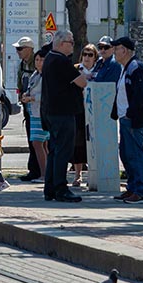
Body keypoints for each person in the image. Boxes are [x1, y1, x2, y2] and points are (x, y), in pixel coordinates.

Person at [41, 30, 89, 202]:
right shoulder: (61, 60)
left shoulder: (49, 59)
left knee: (55, 150)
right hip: (62, 112)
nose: (73, 45)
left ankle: (50, 188)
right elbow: (82, 82)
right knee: (63, 150)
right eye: (71, 42)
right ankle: (60, 188)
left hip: (51, 112)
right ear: (62, 43)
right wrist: (84, 74)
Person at [110, 36, 143, 203]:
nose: (114, 52)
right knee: (126, 154)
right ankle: (132, 187)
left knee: (135, 155)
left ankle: (140, 191)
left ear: (124, 50)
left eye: (116, 48)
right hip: (124, 118)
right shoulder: (125, 68)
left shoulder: (136, 68)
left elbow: (139, 96)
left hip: (132, 120)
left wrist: (131, 114)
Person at [14, 36, 42, 181]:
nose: (17, 51)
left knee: (38, 141)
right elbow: (20, 83)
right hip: (27, 106)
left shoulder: (35, 65)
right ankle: (34, 169)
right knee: (32, 140)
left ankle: (38, 170)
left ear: (29, 49)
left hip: (37, 107)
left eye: (20, 48)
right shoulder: (21, 64)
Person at [72, 44, 97, 186]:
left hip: (95, 110)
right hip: (79, 110)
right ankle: (77, 174)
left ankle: (92, 175)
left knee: (93, 143)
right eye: (85, 54)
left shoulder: (99, 70)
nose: (87, 57)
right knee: (78, 142)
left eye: (90, 54)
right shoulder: (76, 69)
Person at [22, 50, 49, 180]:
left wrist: (31, 98)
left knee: (38, 143)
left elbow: (46, 95)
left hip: (41, 113)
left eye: (42, 60)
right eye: (37, 60)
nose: (39, 62)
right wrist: (26, 96)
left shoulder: (47, 76)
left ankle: (44, 174)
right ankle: (46, 173)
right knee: (41, 144)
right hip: (33, 112)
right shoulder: (35, 74)